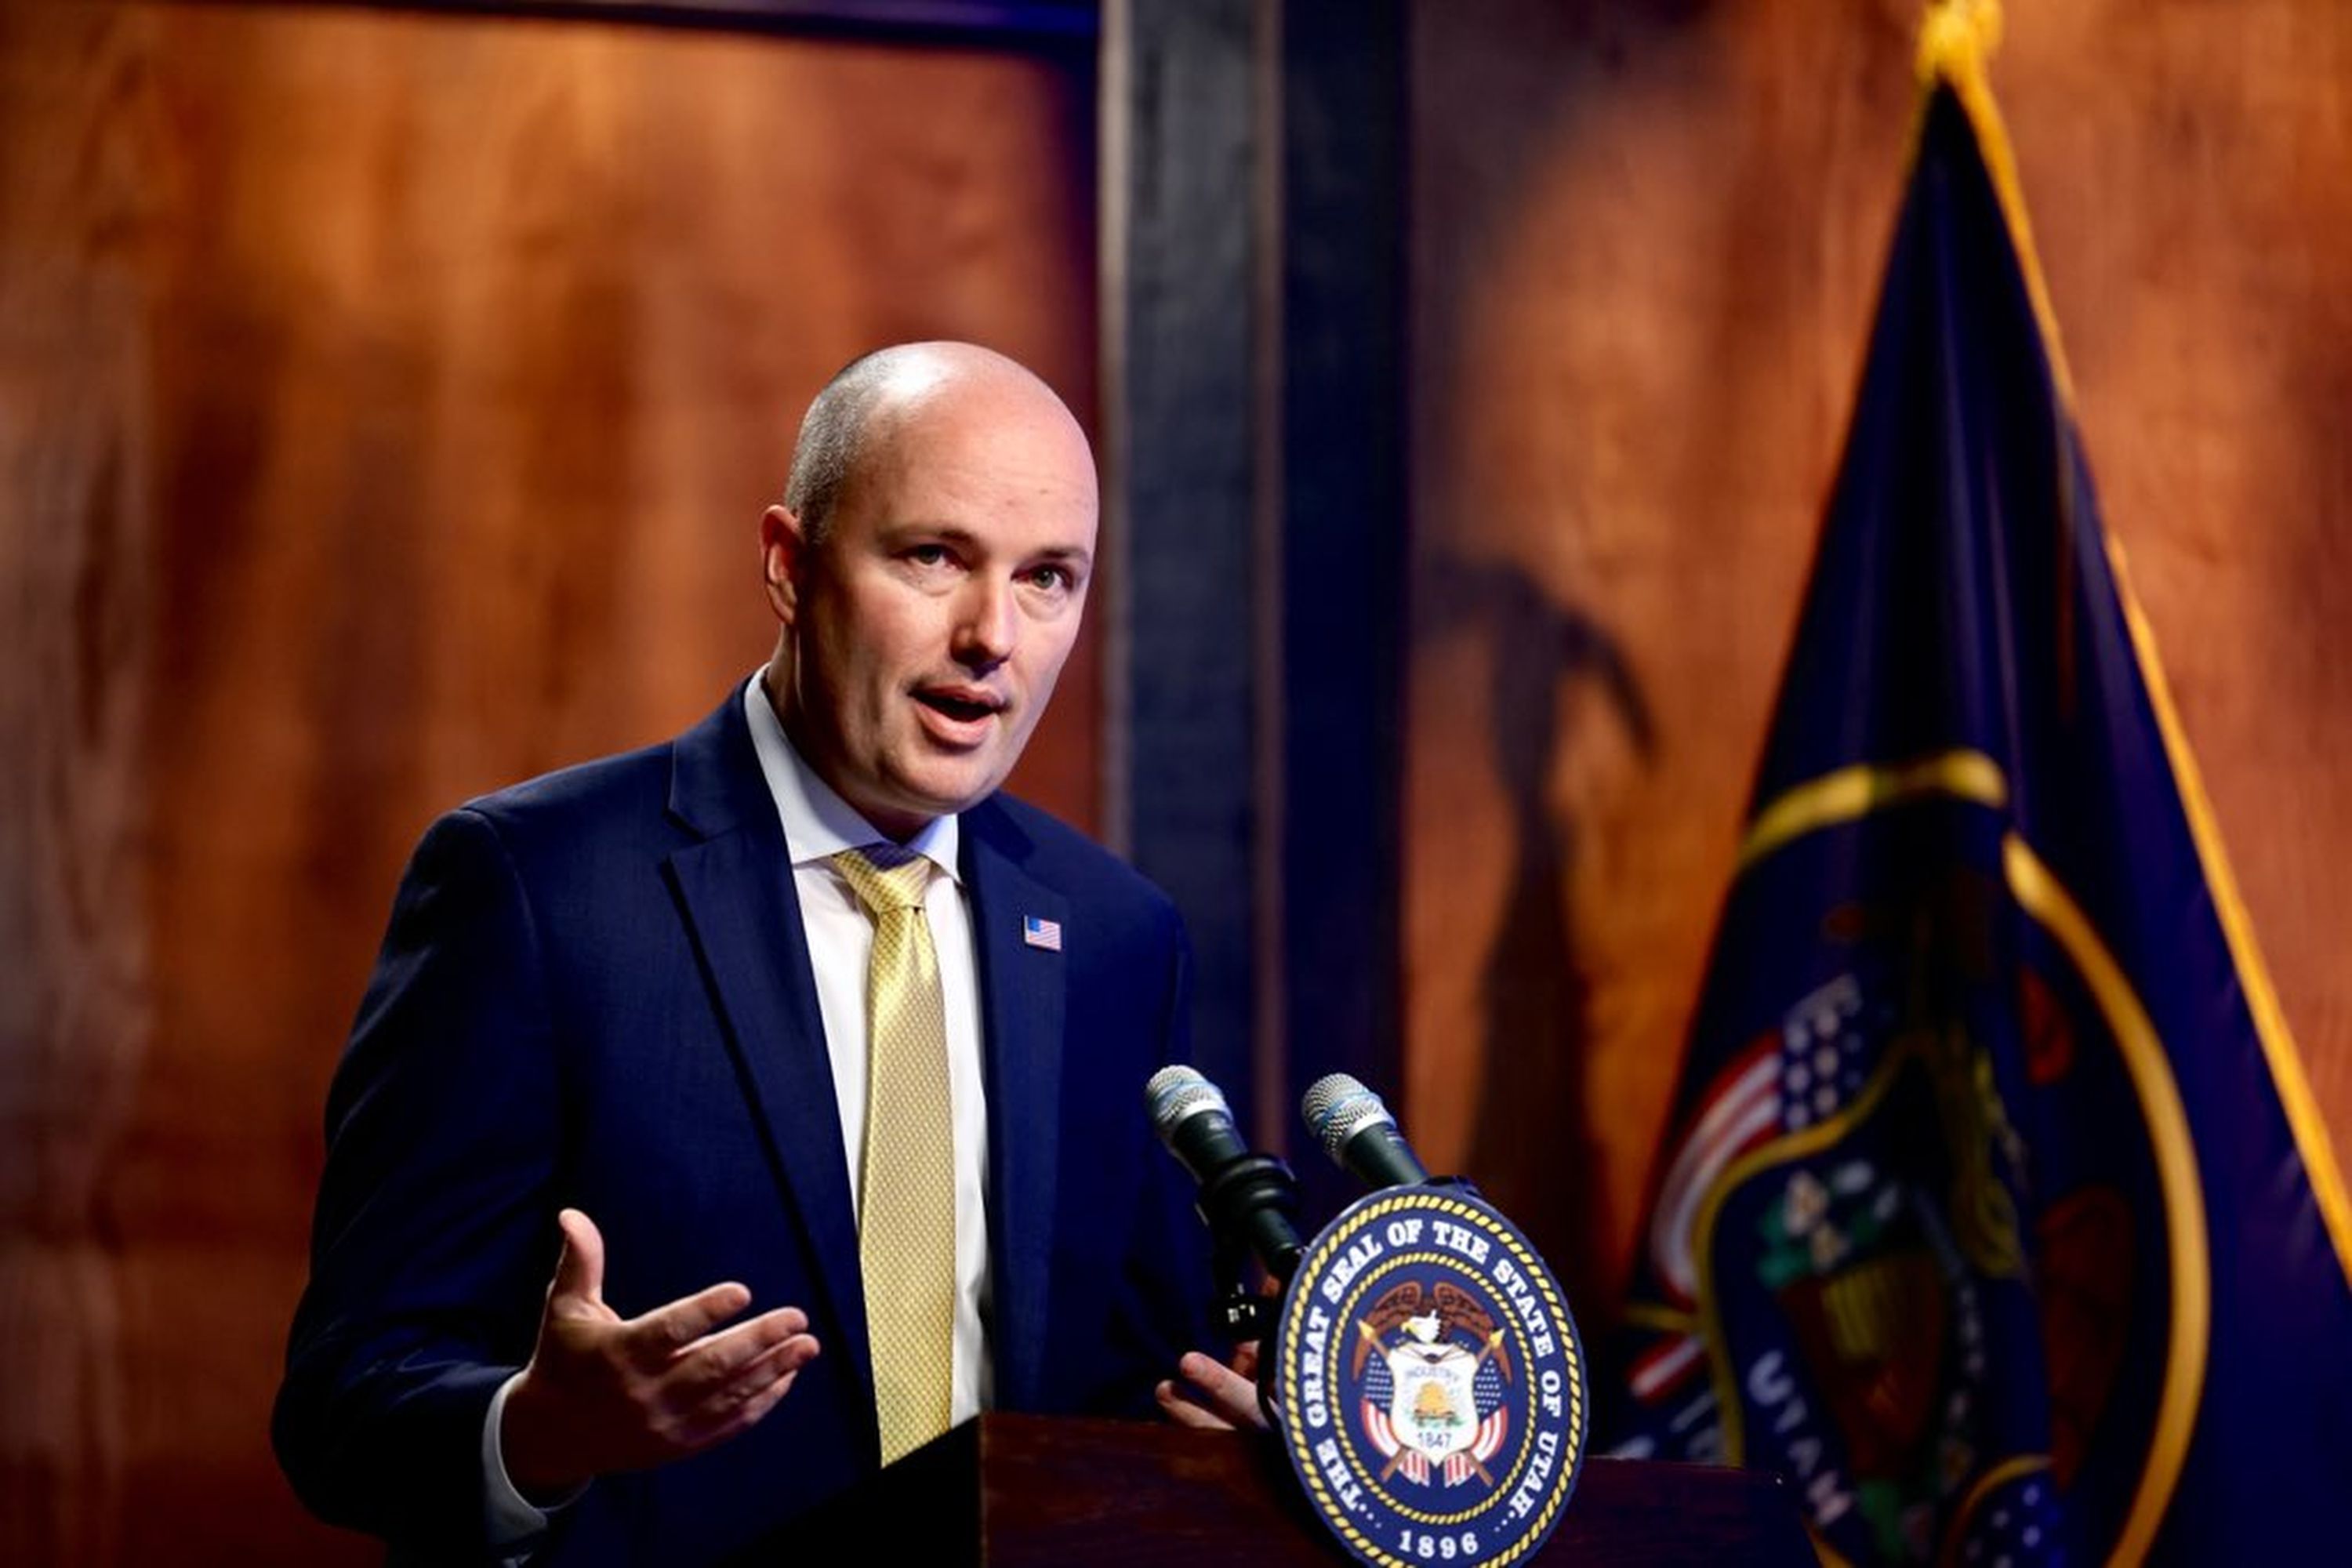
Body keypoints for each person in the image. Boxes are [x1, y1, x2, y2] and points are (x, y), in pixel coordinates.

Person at [274, 343, 1258, 1566]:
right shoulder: (532, 888)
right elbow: (345, 1401)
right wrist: (536, 1431)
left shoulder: (1117, 936)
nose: (992, 635)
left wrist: (1221, 1444)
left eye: (1048, 578)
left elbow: (1124, 1386)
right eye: (933, 557)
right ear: (790, 567)